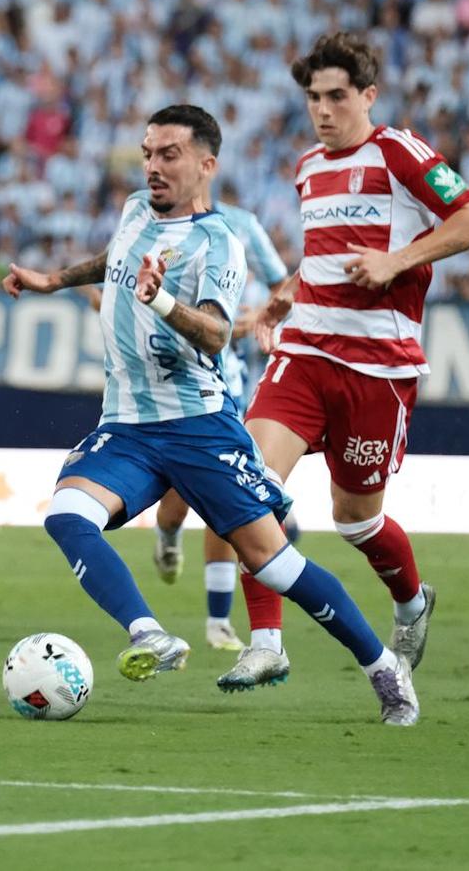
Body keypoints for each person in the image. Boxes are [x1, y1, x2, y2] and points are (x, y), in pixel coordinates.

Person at [4, 105, 419, 725]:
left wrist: (161, 301)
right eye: (148, 153)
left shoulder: (219, 242)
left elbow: (217, 333)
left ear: (206, 164)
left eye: (168, 154)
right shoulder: (135, 211)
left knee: (276, 565)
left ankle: (384, 669)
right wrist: (54, 280)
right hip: (127, 425)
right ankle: (149, 634)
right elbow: (114, 258)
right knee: (67, 515)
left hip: (199, 427)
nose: (153, 166)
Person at [224, 32, 469, 693]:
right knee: (245, 485)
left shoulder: (399, 151)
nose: (322, 109)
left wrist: (398, 260)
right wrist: (284, 293)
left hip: (378, 367)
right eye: (313, 97)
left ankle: (411, 602)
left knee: (356, 521)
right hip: (305, 352)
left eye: (336, 96)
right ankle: (265, 644)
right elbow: (326, 252)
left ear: (368, 95)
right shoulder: (308, 166)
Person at [149, 192, 291, 652]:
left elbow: (284, 285)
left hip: (229, 382)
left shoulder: (242, 224)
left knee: (226, 497)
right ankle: (168, 532)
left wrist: (260, 317)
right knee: (175, 503)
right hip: (174, 379)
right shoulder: (153, 220)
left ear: (206, 165)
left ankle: (218, 622)